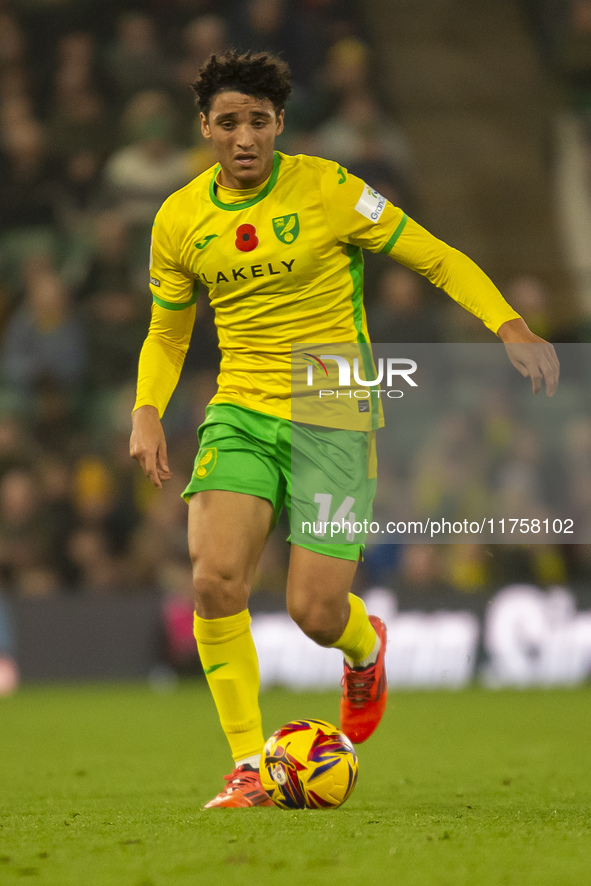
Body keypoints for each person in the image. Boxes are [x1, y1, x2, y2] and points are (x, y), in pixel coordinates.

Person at [130, 50, 559, 809]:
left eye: (257, 122)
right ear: (204, 128)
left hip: (333, 402)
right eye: (227, 123)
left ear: (278, 125)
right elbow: (167, 334)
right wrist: (146, 410)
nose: (243, 138)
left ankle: (364, 650)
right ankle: (248, 765)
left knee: (314, 612)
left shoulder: (329, 189)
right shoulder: (178, 219)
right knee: (212, 580)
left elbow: (432, 256)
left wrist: (507, 322)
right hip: (240, 407)